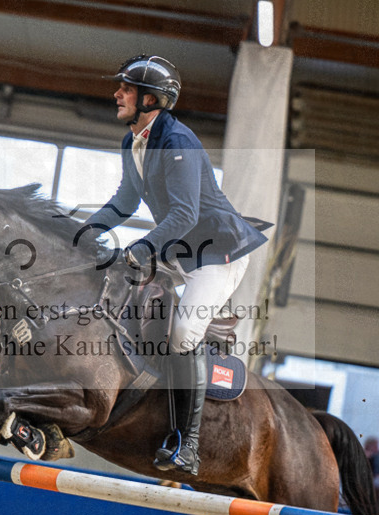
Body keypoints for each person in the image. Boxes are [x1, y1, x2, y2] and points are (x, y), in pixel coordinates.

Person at [84, 55, 268, 476]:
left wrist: (141, 249)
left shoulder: (177, 142)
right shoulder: (134, 140)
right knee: (111, 286)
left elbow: (184, 214)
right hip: (178, 247)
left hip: (216, 254)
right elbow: (125, 202)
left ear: (150, 99)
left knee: (184, 332)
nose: (117, 94)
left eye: (126, 89)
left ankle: (189, 443)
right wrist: (81, 232)